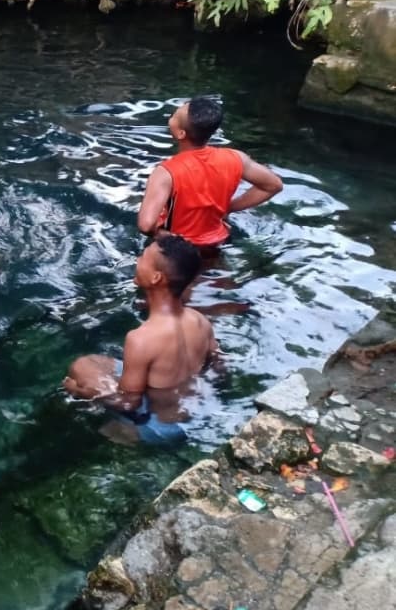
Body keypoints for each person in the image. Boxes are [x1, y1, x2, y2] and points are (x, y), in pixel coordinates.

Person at [63, 234, 218, 444]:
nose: (137, 260)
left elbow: (129, 403)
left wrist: (82, 392)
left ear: (156, 277)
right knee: (84, 365)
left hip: (158, 427)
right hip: (187, 413)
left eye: (143, 257)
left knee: (84, 402)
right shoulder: (200, 321)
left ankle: (130, 439)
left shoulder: (141, 339)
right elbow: (217, 365)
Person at [137, 97, 283, 250]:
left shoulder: (166, 173)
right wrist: (228, 208)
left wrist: (165, 237)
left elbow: (146, 225)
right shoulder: (235, 158)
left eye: (174, 115)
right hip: (219, 241)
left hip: (177, 251)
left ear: (180, 133)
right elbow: (273, 185)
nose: (171, 115)